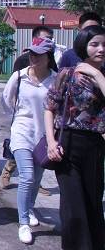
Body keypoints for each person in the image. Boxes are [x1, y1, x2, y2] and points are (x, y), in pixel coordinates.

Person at [45, 25, 105, 250]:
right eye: (94, 44)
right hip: (67, 145)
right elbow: (49, 108)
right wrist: (51, 142)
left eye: (104, 45)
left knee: (92, 203)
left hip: (95, 146)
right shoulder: (67, 74)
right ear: (83, 46)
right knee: (73, 209)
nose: (101, 49)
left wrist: (97, 74)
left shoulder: (103, 76)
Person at [1, 37, 57, 244]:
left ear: (48, 57)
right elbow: (6, 101)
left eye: (38, 54)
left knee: (36, 177)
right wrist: (17, 120)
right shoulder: (19, 76)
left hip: (44, 137)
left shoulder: (56, 79)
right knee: (27, 176)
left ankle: (29, 208)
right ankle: (23, 222)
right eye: (31, 53)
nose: (33, 57)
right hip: (22, 133)